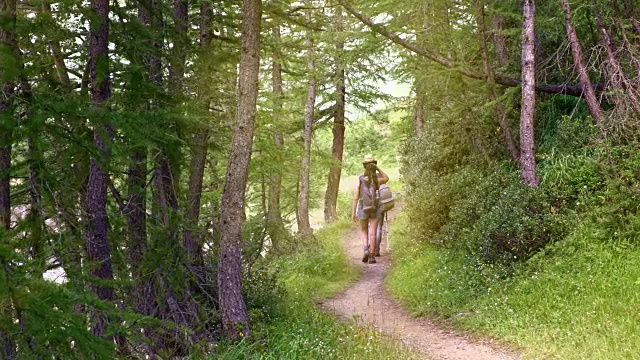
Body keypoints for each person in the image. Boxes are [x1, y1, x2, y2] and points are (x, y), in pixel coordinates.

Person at [352, 154, 389, 264]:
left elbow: (355, 198)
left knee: (364, 230)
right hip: (375, 207)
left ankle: (366, 250)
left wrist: (353, 213)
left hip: (363, 207)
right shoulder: (377, 179)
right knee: (373, 232)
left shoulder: (359, 180)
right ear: (373, 166)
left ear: (364, 166)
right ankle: (372, 256)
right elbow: (387, 177)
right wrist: (377, 168)